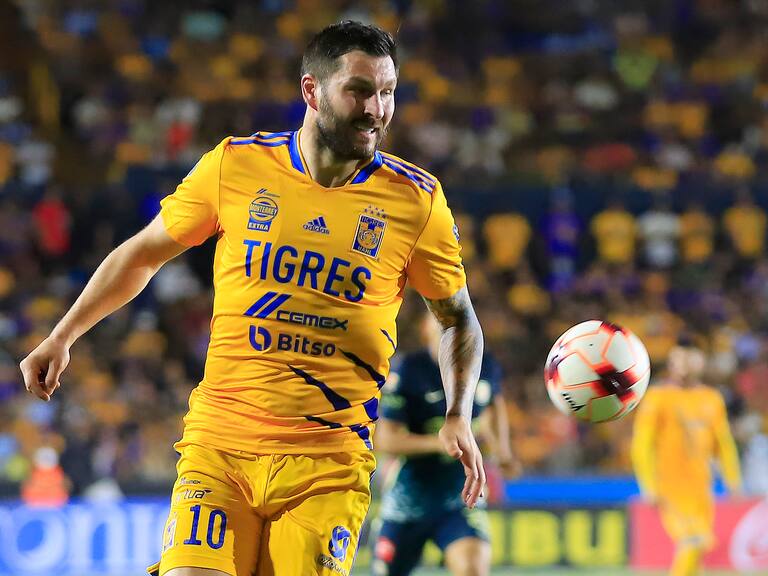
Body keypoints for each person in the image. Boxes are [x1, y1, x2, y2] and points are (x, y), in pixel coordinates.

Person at [19, 21, 486, 576]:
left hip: (328, 461)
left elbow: (458, 319)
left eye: (387, 92)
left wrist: (457, 412)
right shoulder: (236, 165)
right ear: (311, 91)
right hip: (221, 442)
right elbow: (144, 253)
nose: (377, 109)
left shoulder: (417, 201)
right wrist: (63, 334)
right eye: (359, 90)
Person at [372, 312, 518, 576]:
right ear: (424, 328)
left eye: (456, 320)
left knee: (472, 569)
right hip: (406, 503)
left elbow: (492, 406)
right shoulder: (408, 370)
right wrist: (440, 444)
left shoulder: (485, 366)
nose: (447, 325)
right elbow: (385, 439)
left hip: (459, 501)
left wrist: (502, 451)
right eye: (437, 319)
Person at [631, 343, 742, 576]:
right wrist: (648, 485)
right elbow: (642, 444)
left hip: (701, 486)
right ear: (671, 365)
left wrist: (732, 478)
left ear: (700, 362)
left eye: (689, 358)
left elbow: (723, 443)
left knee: (698, 549)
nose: (684, 365)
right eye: (678, 360)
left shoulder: (712, 398)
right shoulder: (658, 397)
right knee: (694, 540)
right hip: (670, 486)